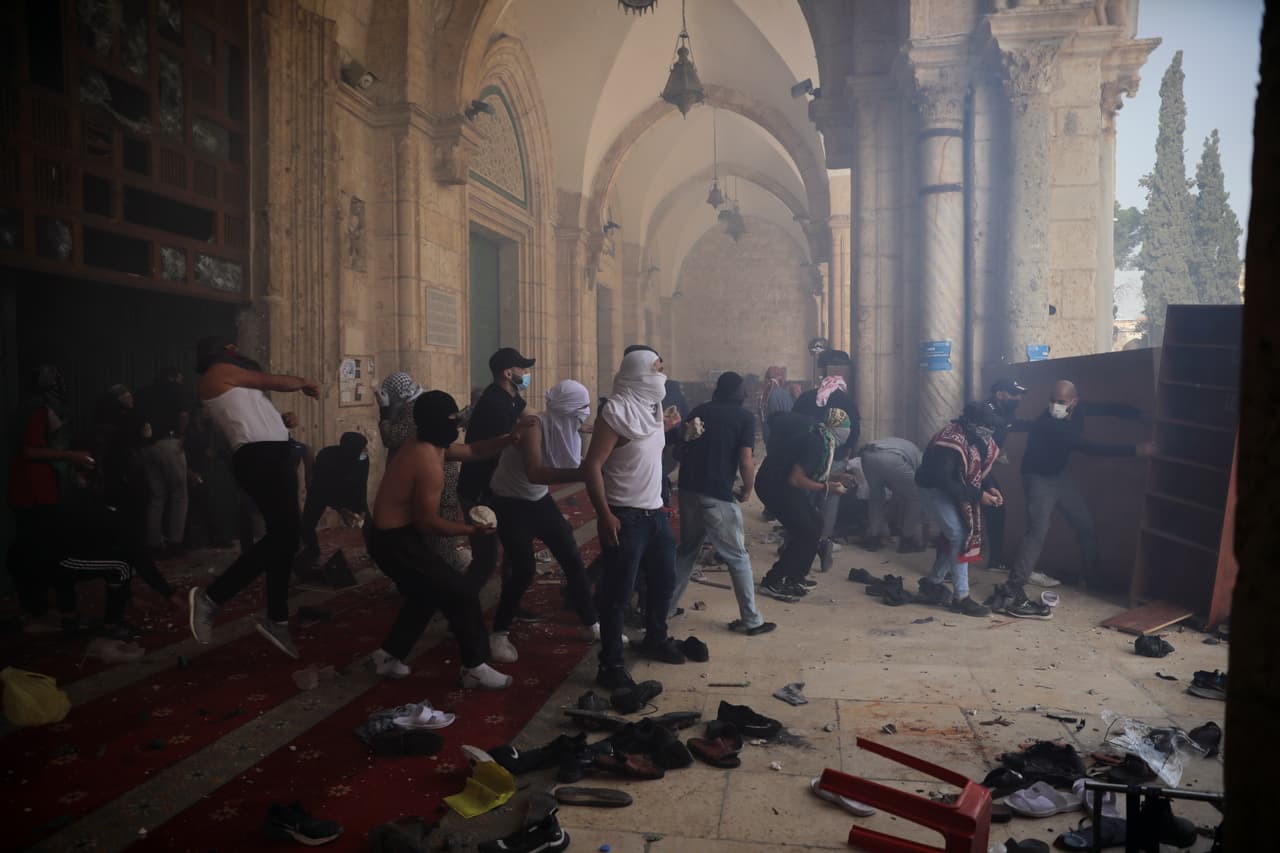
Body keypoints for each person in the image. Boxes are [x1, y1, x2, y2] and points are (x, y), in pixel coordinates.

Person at [365, 391, 518, 688]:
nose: (458, 425)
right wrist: (471, 531)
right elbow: (428, 522)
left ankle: (388, 655)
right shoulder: (426, 461)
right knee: (460, 593)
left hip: (396, 536)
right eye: (453, 419)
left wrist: (508, 438)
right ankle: (474, 666)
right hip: (394, 542)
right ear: (437, 422)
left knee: (425, 594)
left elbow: (474, 451)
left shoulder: (430, 444)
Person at [186, 336, 320, 658]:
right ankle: (212, 598)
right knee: (284, 537)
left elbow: (254, 409)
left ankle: (277, 618)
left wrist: (280, 422)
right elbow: (269, 380)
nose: (237, 351)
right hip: (258, 456)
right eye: (231, 348)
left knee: (284, 539)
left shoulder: (236, 382)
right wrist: (302, 382)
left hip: (273, 452)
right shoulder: (218, 372)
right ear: (218, 353)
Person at [993, 380, 1155, 620]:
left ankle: (1093, 581)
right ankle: (1012, 590)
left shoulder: (1080, 409)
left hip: (1060, 476)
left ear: (1074, 402)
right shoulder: (1050, 424)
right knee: (1038, 531)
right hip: (1037, 478)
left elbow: (1108, 409)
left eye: (1061, 402)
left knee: (1085, 524)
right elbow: (1091, 447)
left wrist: (1139, 415)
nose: (1054, 406)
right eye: (1052, 400)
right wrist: (1135, 450)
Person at [584, 348, 686, 690]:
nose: (662, 374)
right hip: (625, 517)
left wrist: (670, 427)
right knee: (617, 593)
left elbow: (647, 449)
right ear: (639, 372)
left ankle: (656, 637)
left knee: (663, 582)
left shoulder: (651, 408)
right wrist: (604, 515)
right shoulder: (615, 412)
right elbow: (592, 466)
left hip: (655, 513)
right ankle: (610, 664)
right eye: (657, 368)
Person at [487, 380, 598, 662]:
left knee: (571, 558)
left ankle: (590, 624)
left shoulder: (567, 425)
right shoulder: (533, 425)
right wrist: (585, 473)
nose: (585, 414)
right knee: (524, 569)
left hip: (537, 500)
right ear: (567, 408)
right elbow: (536, 473)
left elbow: (568, 457)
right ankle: (498, 633)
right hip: (510, 502)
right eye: (581, 408)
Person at [670, 372, 774, 635]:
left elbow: (679, 447)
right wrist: (748, 489)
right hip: (715, 494)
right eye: (743, 390)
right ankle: (751, 619)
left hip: (688, 489)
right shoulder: (744, 418)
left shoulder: (700, 410)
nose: (747, 395)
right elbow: (746, 460)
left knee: (687, 551)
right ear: (736, 392)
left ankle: (666, 608)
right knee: (737, 557)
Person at [6, 366, 98, 632]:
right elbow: (31, 451)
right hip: (34, 490)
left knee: (38, 550)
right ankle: (51, 609)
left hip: (35, 489)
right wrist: (71, 457)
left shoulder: (33, 407)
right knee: (47, 551)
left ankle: (40, 607)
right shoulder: (37, 409)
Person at [915, 401, 1005, 617]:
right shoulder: (950, 440)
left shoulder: (981, 439)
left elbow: (981, 471)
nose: (990, 430)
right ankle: (961, 597)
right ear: (973, 423)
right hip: (934, 489)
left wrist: (991, 488)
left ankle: (932, 583)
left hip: (954, 489)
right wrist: (978, 496)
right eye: (987, 425)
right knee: (958, 534)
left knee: (956, 535)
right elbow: (944, 480)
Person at [755, 408, 855, 600]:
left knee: (816, 523)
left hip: (782, 482)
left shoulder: (822, 439)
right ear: (836, 428)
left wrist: (837, 476)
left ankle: (796, 577)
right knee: (805, 531)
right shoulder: (816, 444)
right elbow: (796, 479)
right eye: (845, 428)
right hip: (773, 485)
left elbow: (810, 471)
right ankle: (772, 582)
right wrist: (828, 487)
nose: (847, 432)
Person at [793, 350, 861, 569]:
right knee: (831, 496)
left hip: (805, 455)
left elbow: (794, 424)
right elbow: (854, 431)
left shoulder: (806, 397)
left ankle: (799, 537)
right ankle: (824, 539)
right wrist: (847, 452)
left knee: (804, 493)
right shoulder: (846, 400)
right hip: (836, 457)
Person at [459, 347, 535, 506]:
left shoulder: (509, 396)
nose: (526, 372)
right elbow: (501, 446)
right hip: (481, 485)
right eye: (522, 368)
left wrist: (562, 418)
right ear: (508, 374)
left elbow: (532, 415)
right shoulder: (494, 403)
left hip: (495, 484)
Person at [136, 367, 191, 556]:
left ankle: (153, 543)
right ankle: (175, 543)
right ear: (174, 377)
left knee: (156, 497)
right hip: (169, 442)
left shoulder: (142, 392)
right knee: (179, 494)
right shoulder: (176, 390)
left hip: (147, 446)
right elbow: (183, 414)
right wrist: (182, 437)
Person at [984, 378, 1032, 570]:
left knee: (995, 508)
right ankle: (945, 567)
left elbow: (1013, 424)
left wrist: (1041, 426)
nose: (1018, 398)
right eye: (1014, 394)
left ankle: (995, 559)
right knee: (961, 519)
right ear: (999, 394)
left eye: (1020, 394)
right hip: (966, 468)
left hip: (980, 468)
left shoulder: (1005, 412)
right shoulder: (985, 412)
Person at [298, 432, 370, 559]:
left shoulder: (363, 459)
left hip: (347, 490)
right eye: (363, 448)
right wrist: (341, 509)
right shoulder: (326, 456)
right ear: (352, 450)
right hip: (320, 490)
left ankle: (375, 553)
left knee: (368, 524)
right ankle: (312, 555)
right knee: (307, 525)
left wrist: (362, 508)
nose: (366, 450)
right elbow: (323, 489)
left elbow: (361, 484)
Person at [858, 437, 925, 553]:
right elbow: (917, 485)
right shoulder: (920, 460)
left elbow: (897, 488)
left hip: (867, 454)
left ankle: (873, 539)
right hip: (891, 457)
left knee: (876, 497)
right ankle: (907, 540)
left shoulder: (906, 446)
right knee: (917, 497)